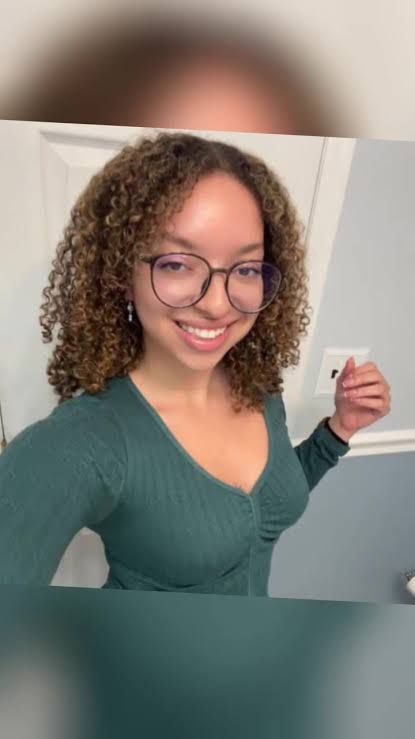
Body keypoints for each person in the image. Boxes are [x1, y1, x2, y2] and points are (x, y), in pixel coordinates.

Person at [0, 132, 391, 593]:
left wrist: (338, 431)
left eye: (246, 269)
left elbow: (262, 512)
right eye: (177, 263)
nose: (217, 303)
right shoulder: (83, 442)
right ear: (121, 274)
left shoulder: (259, 387)